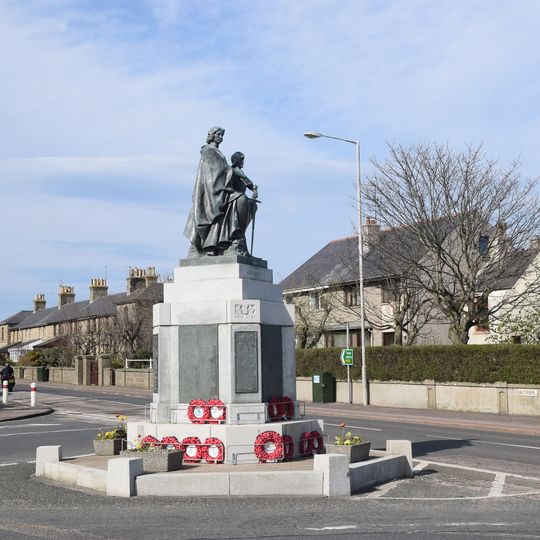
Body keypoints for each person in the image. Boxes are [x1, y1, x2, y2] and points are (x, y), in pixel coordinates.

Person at [183, 127, 258, 257]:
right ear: (212, 136)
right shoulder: (209, 152)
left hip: (220, 190)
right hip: (212, 193)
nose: (221, 137)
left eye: (221, 135)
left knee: (251, 205)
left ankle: (236, 239)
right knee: (241, 200)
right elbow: (220, 172)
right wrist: (237, 173)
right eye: (218, 134)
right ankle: (232, 240)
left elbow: (224, 171)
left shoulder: (216, 152)